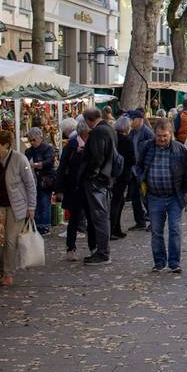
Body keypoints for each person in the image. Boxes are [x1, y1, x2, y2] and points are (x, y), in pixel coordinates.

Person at [137, 118, 187, 273]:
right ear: (155, 134)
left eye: (165, 136)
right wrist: (140, 178)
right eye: (159, 136)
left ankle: (174, 262)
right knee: (156, 231)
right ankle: (159, 262)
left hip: (174, 196)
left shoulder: (179, 149)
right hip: (154, 196)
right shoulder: (147, 147)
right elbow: (139, 166)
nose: (162, 139)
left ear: (171, 135)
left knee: (174, 229)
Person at [0, 130, 36, 287]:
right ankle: (0, 269)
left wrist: (31, 207)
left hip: (17, 206)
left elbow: (30, 184)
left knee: (11, 240)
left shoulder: (20, 159)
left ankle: (8, 273)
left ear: (6, 145)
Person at [80, 107, 118, 265]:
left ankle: (103, 252)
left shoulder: (98, 132)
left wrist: (91, 174)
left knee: (100, 216)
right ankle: (102, 251)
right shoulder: (109, 129)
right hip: (106, 178)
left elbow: (97, 157)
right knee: (101, 215)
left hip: (98, 181)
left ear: (88, 120)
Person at [61, 118, 92, 261]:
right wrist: (59, 189)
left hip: (89, 187)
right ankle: (70, 248)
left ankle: (94, 247)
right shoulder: (72, 145)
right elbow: (63, 167)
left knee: (91, 218)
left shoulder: (92, 143)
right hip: (74, 188)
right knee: (74, 218)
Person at [125, 109, 153, 231]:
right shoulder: (132, 133)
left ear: (139, 119)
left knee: (146, 197)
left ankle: (154, 222)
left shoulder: (147, 133)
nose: (130, 121)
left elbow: (152, 152)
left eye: (132, 119)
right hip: (134, 170)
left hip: (144, 171)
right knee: (135, 197)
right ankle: (140, 221)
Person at [111, 116, 139, 236]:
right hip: (123, 175)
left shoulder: (113, 138)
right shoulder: (127, 141)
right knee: (117, 202)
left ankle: (116, 228)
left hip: (113, 174)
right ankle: (113, 228)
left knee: (118, 200)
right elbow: (132, 160)